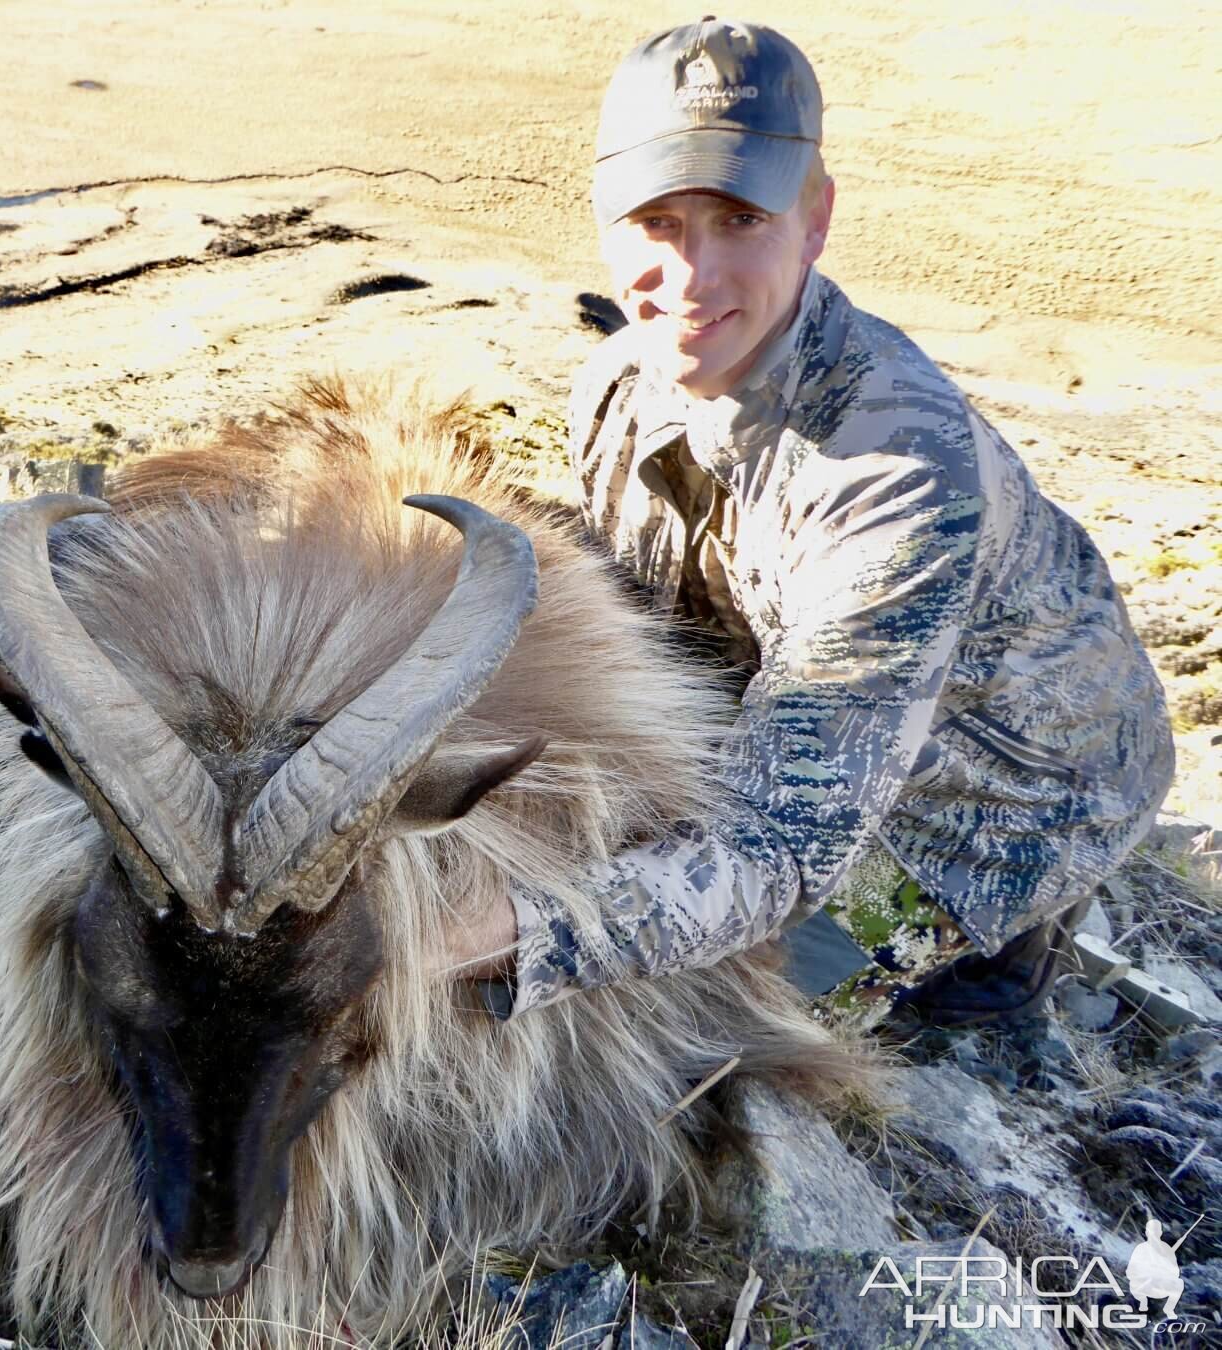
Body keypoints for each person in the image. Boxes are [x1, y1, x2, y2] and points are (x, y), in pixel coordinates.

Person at [456, 17, 1175, 1030]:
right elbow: (644, 627)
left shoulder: (898, 480)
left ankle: (1001, 949)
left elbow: (775, 855)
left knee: (737, 1015)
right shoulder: (618, 388)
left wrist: (504, 933)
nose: (692, 278)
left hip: (996, 807)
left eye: (739, 221)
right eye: (656, 220)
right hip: (812, 730)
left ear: (817, 217)